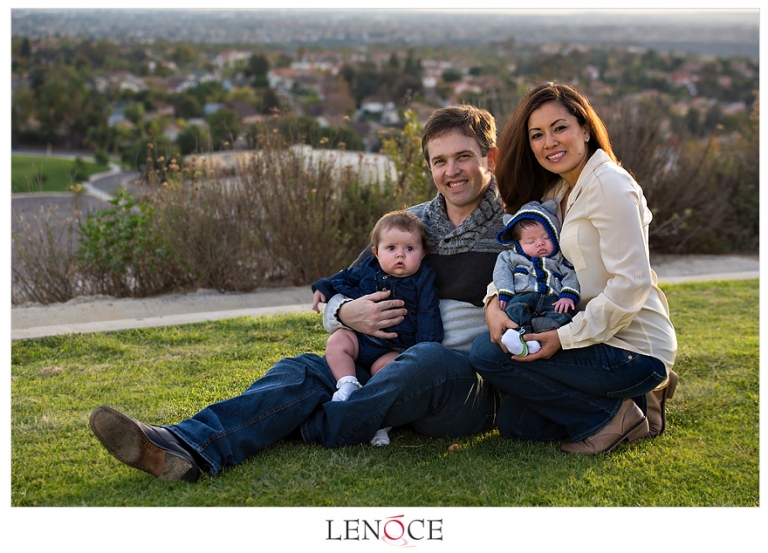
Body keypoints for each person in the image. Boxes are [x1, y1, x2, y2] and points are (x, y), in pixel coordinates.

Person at [89, 104, 507, 482]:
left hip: (457, 386)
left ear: (489, 158)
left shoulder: (515, 229)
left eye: (463, 157)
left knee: (428, 359)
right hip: (379, 363)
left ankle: (312, 423)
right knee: (304, 370)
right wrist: (346, 315)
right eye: (440, 161)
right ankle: (183, 445)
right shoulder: (409, 226)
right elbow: (336, 292)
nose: (451, 170)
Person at [470, 82, 679, 455]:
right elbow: (526, 259)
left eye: (559, 127)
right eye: (537, 134)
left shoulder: (609, 186)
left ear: (585, 128)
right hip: (588, 335)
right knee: (518, 425)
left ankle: (616, 416)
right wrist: (493, 303)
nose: (549, 142)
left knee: (486, 355)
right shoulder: (557, 193)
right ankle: (644, 399)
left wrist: (563, 340)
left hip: (629, 346)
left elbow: (632, 283)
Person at [311, 209, 443, 445]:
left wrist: (425, 349)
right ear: (376, 252)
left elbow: (428, 313)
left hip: (394, 347)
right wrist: (324, 288)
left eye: (409, 249)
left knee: (389, 371)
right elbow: (346, 277)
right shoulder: (369, 268)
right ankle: (347, 383)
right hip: (360, 340)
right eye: (391, 248)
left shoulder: (423, 280)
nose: (400, 255)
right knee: (338, 341)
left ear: (423, 253)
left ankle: (380, 423)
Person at [492, 198, 580, 357]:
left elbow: (571, 275)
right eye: (531, 241)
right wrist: (505, 291)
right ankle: (519, 337)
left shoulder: (560, 258)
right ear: (518, 244)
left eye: (546, 238)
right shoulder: (511, 257)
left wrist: (568, 295)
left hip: (552, 300)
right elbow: (501, 271)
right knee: (515, 310)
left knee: (561, 316)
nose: (540, 244)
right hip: (523, 296)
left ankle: (537, 340)